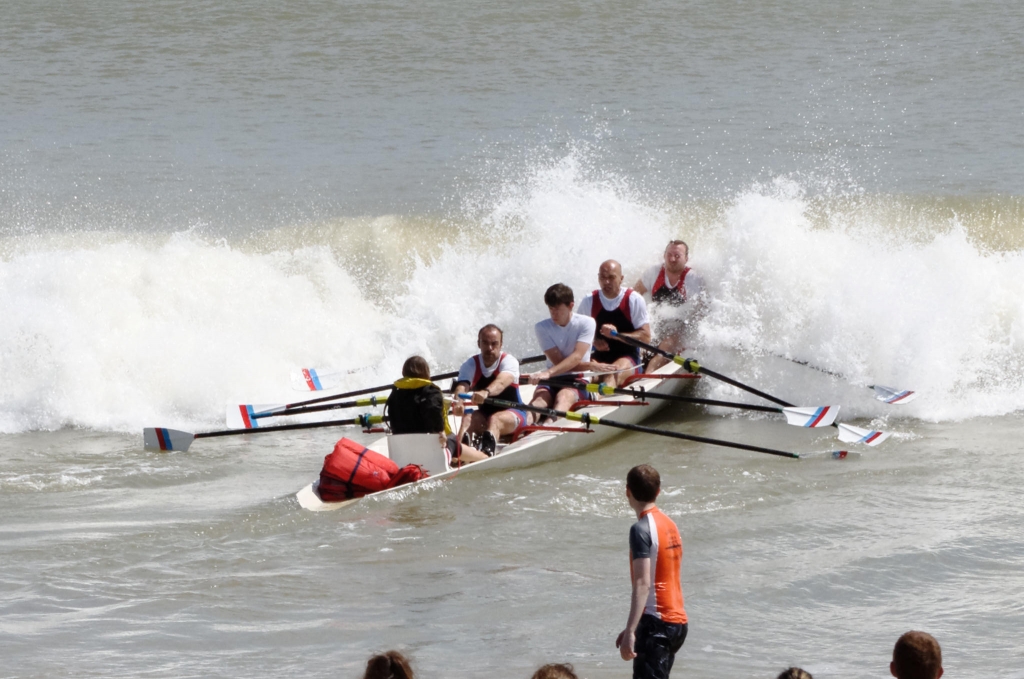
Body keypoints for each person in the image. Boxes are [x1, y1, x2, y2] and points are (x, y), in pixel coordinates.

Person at [616, 464, 687, 679]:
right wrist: (636, 626)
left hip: (657, 624)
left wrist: (630, 631)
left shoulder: (640, 530)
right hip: (678, 624)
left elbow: (643, 583)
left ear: (627, 491)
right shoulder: (670, 524)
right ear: (658, 491)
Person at [450, 324, 529, 459]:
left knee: (495, 419)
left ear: (501, 344)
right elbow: (462, 386)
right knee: (468, 418)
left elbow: (502, 382)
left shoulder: (509, 362)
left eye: (494, 344)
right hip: (485, 416)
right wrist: (459, 401)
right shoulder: (470, 364)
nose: (489, 348)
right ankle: (459, 455)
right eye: (485, 343)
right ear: (478, 344)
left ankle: (485, 455)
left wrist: (486, 391)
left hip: (514, 414)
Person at [384, 355, 482, 463]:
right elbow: (433, 412)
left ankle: (456, 458)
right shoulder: (431, 392)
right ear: (426, 373)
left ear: (404, 373)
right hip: (431, 451)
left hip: (403, 452)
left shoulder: (394, 393)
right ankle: (483, 457)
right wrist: (441, 432)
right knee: (453, 441)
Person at [577, 259, 652, 388]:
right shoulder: (588, 301)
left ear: (621, 279)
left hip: (628, 358)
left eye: (611, 277)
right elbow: (576, 336)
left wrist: (617, 335)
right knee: (581, 375)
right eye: (602, 277)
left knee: (611, 374)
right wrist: (593, 341)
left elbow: (646, 337)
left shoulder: (633, 300)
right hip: (597, 357)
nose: (606, 282)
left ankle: (598, 400)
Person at [634, 240, 706, 371]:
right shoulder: (653, 272)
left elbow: (700, 312)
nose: (672, 259)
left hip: (680, 328)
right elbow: (633, 297)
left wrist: (693, 341)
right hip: (656, 322)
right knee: (639, 346)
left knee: (666, 347)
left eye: (677, 256)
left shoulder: (692, 279)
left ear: (686, 258)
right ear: (664, 255)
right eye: (669, 255)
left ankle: (646, 379)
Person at [527, 283, 597, 414]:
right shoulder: (541, 327)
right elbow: (559, 362)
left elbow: (576, 357)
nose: (553, 314)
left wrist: (548, 373)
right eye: (551, 309)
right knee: (538, 402)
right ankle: (526, 426)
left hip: (578, 377)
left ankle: (548, 425)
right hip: (554, 377)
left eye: (558, 309)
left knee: (563, 397)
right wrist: (591, 365)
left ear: (571, 306)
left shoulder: (587, 323)